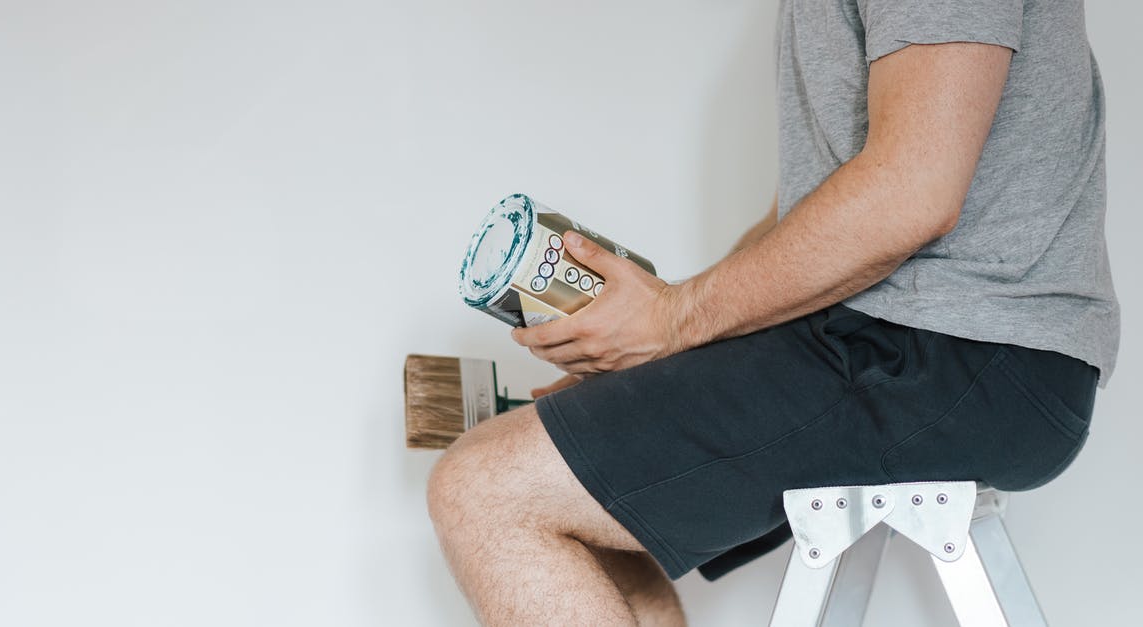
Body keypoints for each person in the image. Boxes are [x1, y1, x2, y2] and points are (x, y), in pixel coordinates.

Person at [427, 0, 1119, 624]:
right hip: (911, 337)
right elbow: (816, 216)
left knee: (485, 488)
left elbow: (914, 190)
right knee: (592, 500)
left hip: (955, 346)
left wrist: (674, 319)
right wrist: (656, 344)